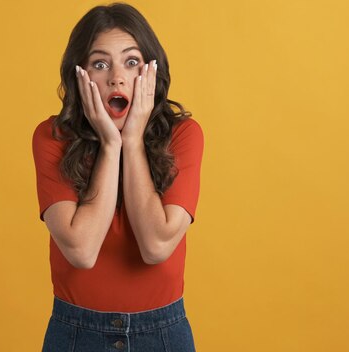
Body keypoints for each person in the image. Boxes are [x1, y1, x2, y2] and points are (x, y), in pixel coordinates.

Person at [32, 3, 203, 351]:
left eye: (131, 61)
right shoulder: (51, 138)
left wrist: (132, 141)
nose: (116, 77)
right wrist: (111, 145)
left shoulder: (184, 135)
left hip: (162, 335)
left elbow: (156, 246)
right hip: (76, 334)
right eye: (99, 64)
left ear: (151, 71)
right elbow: (81, 250)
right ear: (79, 74)